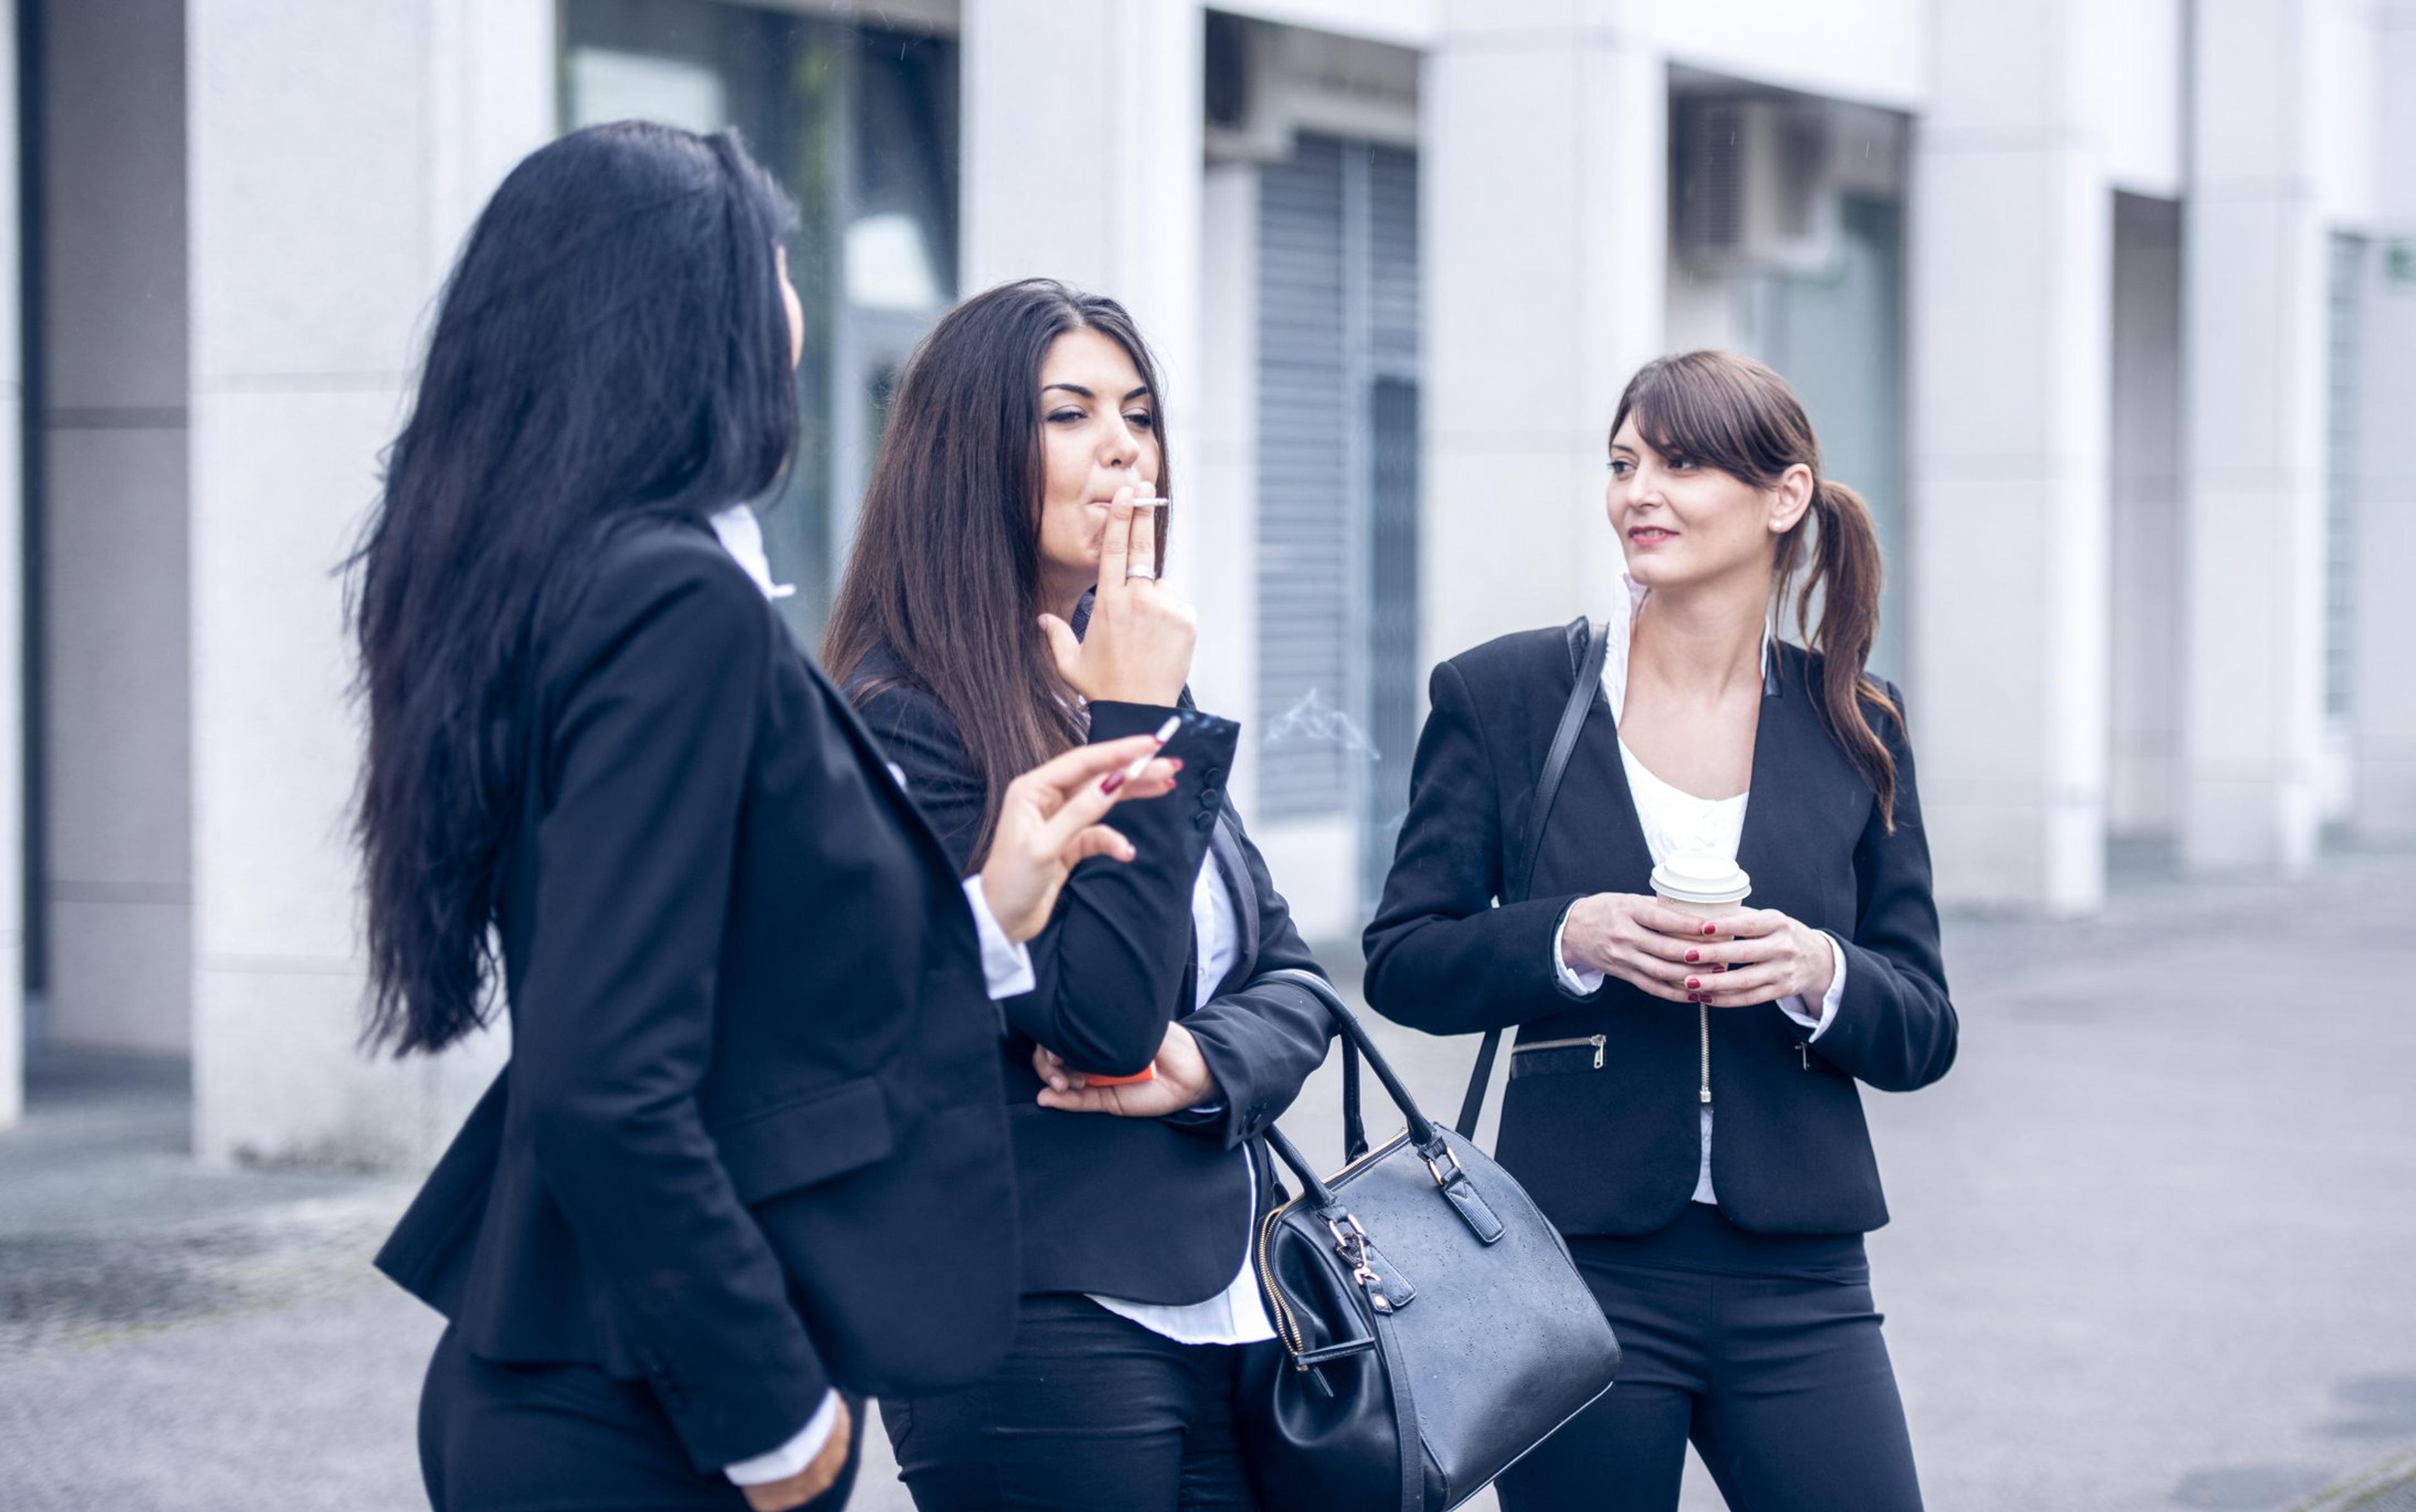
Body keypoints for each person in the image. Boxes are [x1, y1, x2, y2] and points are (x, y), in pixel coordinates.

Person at [354, 125, 1181, 1512]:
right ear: (691, 314)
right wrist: (779, 1420)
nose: (800, 309)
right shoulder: (670, 598)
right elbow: (608, 1074)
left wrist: (983, 917)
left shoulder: (594, 575)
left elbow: (730, 984)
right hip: (639, 1410)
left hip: (581, 1380)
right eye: (777, 267)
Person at [1363, 350, 1957, 1511]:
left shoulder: (1857, 723)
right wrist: (1564, 939)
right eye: (1625, 462)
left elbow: (1924, 1028)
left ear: (1783, 497)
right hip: (1573, 1268)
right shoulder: (1507, 697)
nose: (1641, 491)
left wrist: (1820, 971)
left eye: (1682, 463)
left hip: (1803, 1271)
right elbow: (1404, 958)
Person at [822, 277, 1334, 1511]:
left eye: (1141, 413)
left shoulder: (1137, 676)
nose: (1124, 444)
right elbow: (1096, 1016)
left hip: (1239, 1302)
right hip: (1036, 1315)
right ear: (968, 452)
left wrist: (1204, 1065)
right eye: (1070, 412)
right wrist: (1134, 718)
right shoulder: (906, 719)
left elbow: (1296, 978)